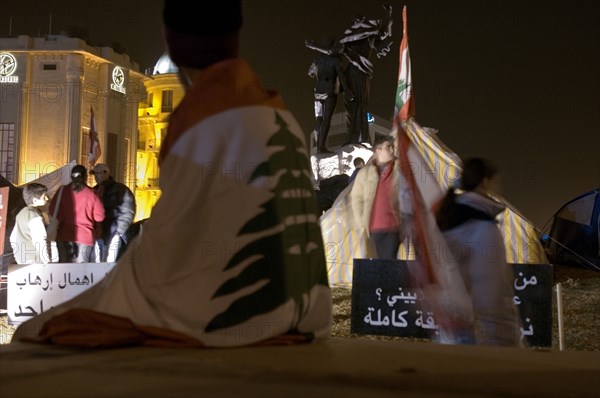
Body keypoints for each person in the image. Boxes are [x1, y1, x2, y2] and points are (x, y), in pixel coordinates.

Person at [13, 0, 331, 348]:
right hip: (302, 309)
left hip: (237, 312)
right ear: (236, 38)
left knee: (40, 329)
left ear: (172, 41)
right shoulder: (281, 117)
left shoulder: (201, 120)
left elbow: (167, 250)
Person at [435, 158, 521, 346]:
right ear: (485, 182)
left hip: (451, 328)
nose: (499, 187)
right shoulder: (482, 226)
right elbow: (489, 285)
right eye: (497, 181)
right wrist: (504, 336)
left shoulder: (447, 216)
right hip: (481, 336)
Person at [339, 5, 393, 145]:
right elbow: (338, 49)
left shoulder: (370, 35)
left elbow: (384, 32)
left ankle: (360, 135)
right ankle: (356, 135)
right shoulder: (350, 36)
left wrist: (388, 15)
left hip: (362, 72)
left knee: (361, 103)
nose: (358, 22)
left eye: (360, 20)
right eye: (356, 20)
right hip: (353, 71)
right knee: (354, 104)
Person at [349, 136, 406, 259]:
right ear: (378, 151)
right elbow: (356, 197)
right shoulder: (365, 172)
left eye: (392, 147)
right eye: (388, 147)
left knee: (388, 264)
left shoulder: (400, 170)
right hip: (373, 229)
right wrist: (361, 220)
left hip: (393, 227)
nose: (391, 150)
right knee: (375, 265)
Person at [305, 37, 354, 153]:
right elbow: (341, 76)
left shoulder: (317, 59)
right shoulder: (336, 60)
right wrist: (347, 89)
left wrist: (316, 73)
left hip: (318, 92)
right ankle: (321, 147)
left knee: (319, 118)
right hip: (330, 91)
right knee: (327, 119)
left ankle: (318, 144)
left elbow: (309, 72)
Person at [50, 164, 105, 263]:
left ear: (71, 176)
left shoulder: (62, 191)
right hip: (85, 236)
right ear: (85, 177)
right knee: (81, 272)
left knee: (64, 271)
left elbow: (52, 210)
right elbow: (100, 217)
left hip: (64, 235)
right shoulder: (92, 193)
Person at [91, 163, 136, 262]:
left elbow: (128, 210)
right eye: (95, 174)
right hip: (99, 233)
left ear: (106, 173)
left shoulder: (120, 189)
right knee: (98, 263)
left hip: (114, 231)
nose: (96, 177)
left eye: (98, 173)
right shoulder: (94, 190)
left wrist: (120, 230)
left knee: (109, 263)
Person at [9, 183, 50, 264]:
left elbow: (12, 238)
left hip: (22, 259)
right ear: (35, 200)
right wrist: (46, 261)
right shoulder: (34, 215)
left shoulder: (21, 214)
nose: (47, 198)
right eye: (44, 196)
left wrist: (18, 256)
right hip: (35, 260)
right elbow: (39, 240)